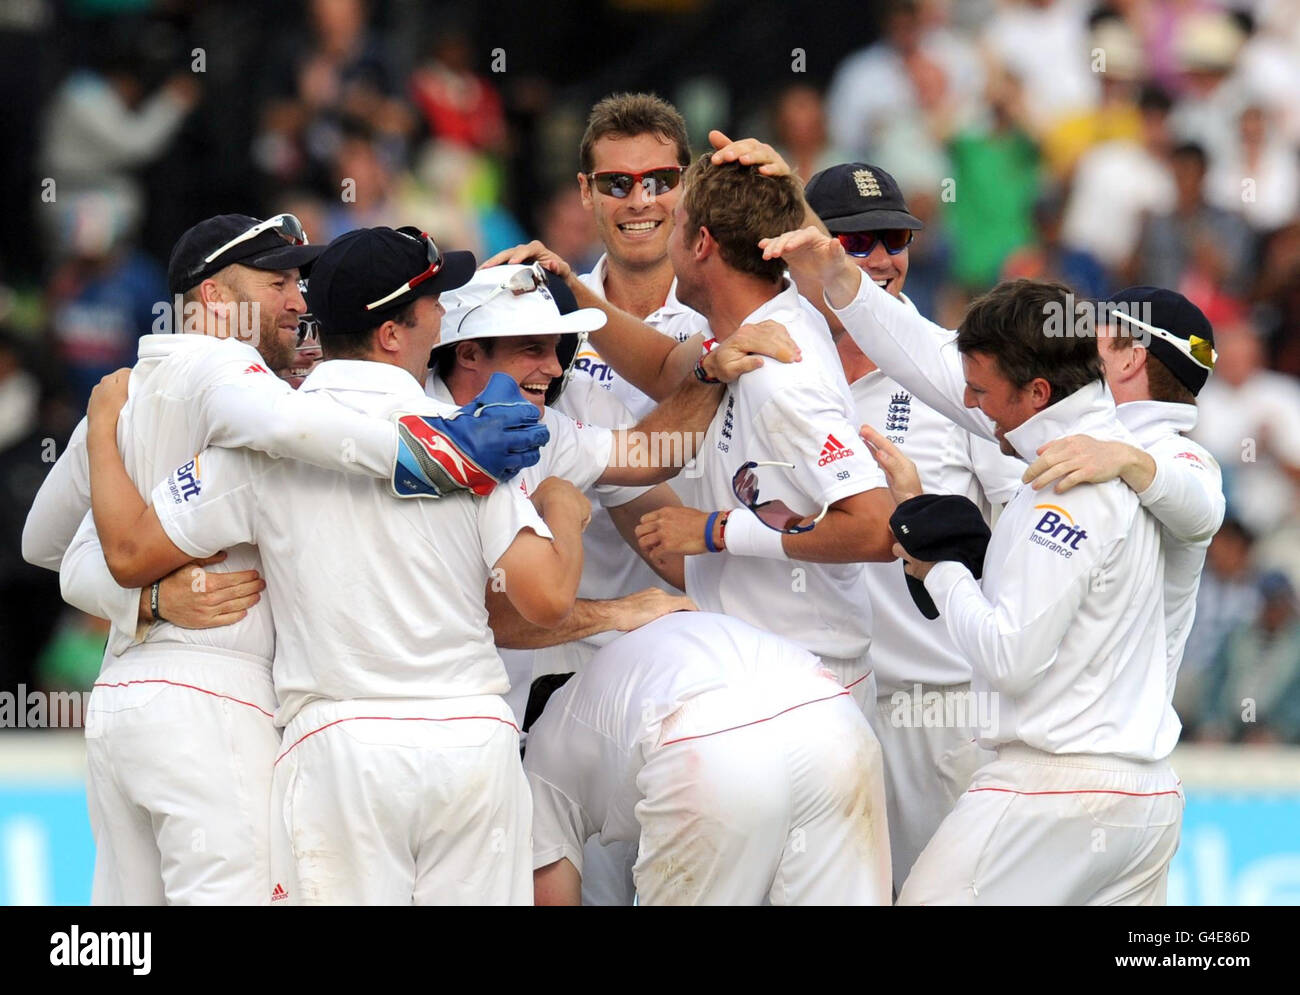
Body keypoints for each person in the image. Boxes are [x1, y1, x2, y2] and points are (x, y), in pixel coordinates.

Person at [21, 214, 546, 905]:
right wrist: (434, 450)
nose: (298, 300)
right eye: (277, 282)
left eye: (299, 281)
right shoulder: (228, 369)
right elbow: (281, 426)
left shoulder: (124, 396)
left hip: (123, 698)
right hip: (218, 700)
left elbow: (47, 544)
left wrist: (143, 600)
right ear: (213, 297)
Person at [770, 238, 1181, 902]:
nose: (969, 402)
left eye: (982, 390)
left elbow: (1009, 654)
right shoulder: (1121, 454)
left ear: (1037, 391)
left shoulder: (1062, 486)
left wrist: (937, 568)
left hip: (1052, 787)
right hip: (1146, 795)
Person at [802, 160, 1024, 892]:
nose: (881, 259)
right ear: (813, 248)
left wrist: (930, 524)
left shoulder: (959, 368)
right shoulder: (782, 368)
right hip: (821, 703)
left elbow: (1026, 532)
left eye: (893, 237)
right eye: (855, 243)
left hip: (939, 707)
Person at [527, 612, 891, 906]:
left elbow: (551, 892)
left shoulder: (540, 753)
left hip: (707, 738)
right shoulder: (614, 681)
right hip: (828, 712)